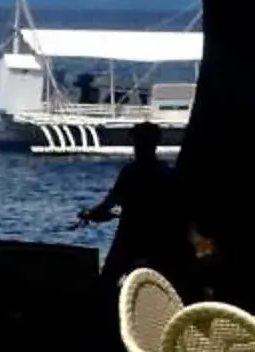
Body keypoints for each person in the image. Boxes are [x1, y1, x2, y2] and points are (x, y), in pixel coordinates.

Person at [80, 123, 194, 289]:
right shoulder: (169, 173)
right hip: (160, 239)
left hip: (129, 237)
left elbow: (111, 202)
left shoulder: (131, 171)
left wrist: (90, 214)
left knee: (108, 281)